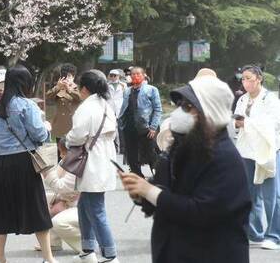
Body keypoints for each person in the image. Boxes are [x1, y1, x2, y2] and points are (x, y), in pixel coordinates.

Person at [121, 73, 252, 262]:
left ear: (210, 112)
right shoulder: (183, 147)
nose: (178, 113)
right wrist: (141, 194)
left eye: (187, 107)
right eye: (179, 105)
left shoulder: (225, 158)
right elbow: (165, 190)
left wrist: (150, 192)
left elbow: (201, 212)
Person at [0, 65, 57, 263]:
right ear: (24, 83)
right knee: (37, 209)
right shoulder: (27, 105)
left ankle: (0, 259)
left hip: (1, 165)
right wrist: (46, 128)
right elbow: (39, 135)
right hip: (24, 163)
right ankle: (48, 258)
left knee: (1, 212)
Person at [66, 70, 119, 263]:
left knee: (95, 208)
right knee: (84, 204)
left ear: (85, 88)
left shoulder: (87, 108)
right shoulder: (105, 104)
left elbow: (78, 134)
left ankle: (109, 254)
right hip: (103, 157)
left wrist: (67, 141)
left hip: (92, 159)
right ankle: (88, 249)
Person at [232, 65, 280, 249]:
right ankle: (256, 233)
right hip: (246, 151)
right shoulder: (242, 99)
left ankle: (274, 235)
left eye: (248, 78)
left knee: (272, 195)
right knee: (249, 193)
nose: (245, 82)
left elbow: (274, 123)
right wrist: (238, 123)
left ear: (258, 78)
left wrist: (247, 123)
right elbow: (237, 122)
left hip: (267, 151)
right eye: (243, 79)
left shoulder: (271, 99)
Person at [38, 139, 81, 254]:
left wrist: (47, 172)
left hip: (77, 204)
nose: (61, 155)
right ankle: (52, 242)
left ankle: (86, 245)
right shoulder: (66, 162)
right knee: (38, 201)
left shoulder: (77, 165)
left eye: (63, 152)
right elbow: (54, 183)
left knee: (58, 219)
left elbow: (64, 188)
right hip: (66, 199)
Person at [117, 66, 161, 177]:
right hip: (129, 126)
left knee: (151, 151)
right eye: (133, 74)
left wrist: (153, 127)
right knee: (131, 152)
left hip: (146, 126)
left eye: (138, 74)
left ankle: (157, 173)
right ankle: (137, 174)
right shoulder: (127, 91)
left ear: (144, 75)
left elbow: (157, 109)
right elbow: (124, 108)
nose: (135, 76)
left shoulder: (151, 89)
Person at [46, 63, 81, 158]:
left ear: (73, 76)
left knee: (72, 155)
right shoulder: (58, 88)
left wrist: (69, 89)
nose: (66, 79)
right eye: (64, 76)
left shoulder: (77, 88)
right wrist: (57, 87)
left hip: (72, 125)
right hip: (60, 126)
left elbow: (80, 98)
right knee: (60, 154)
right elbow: (48, 97)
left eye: (69, 76)